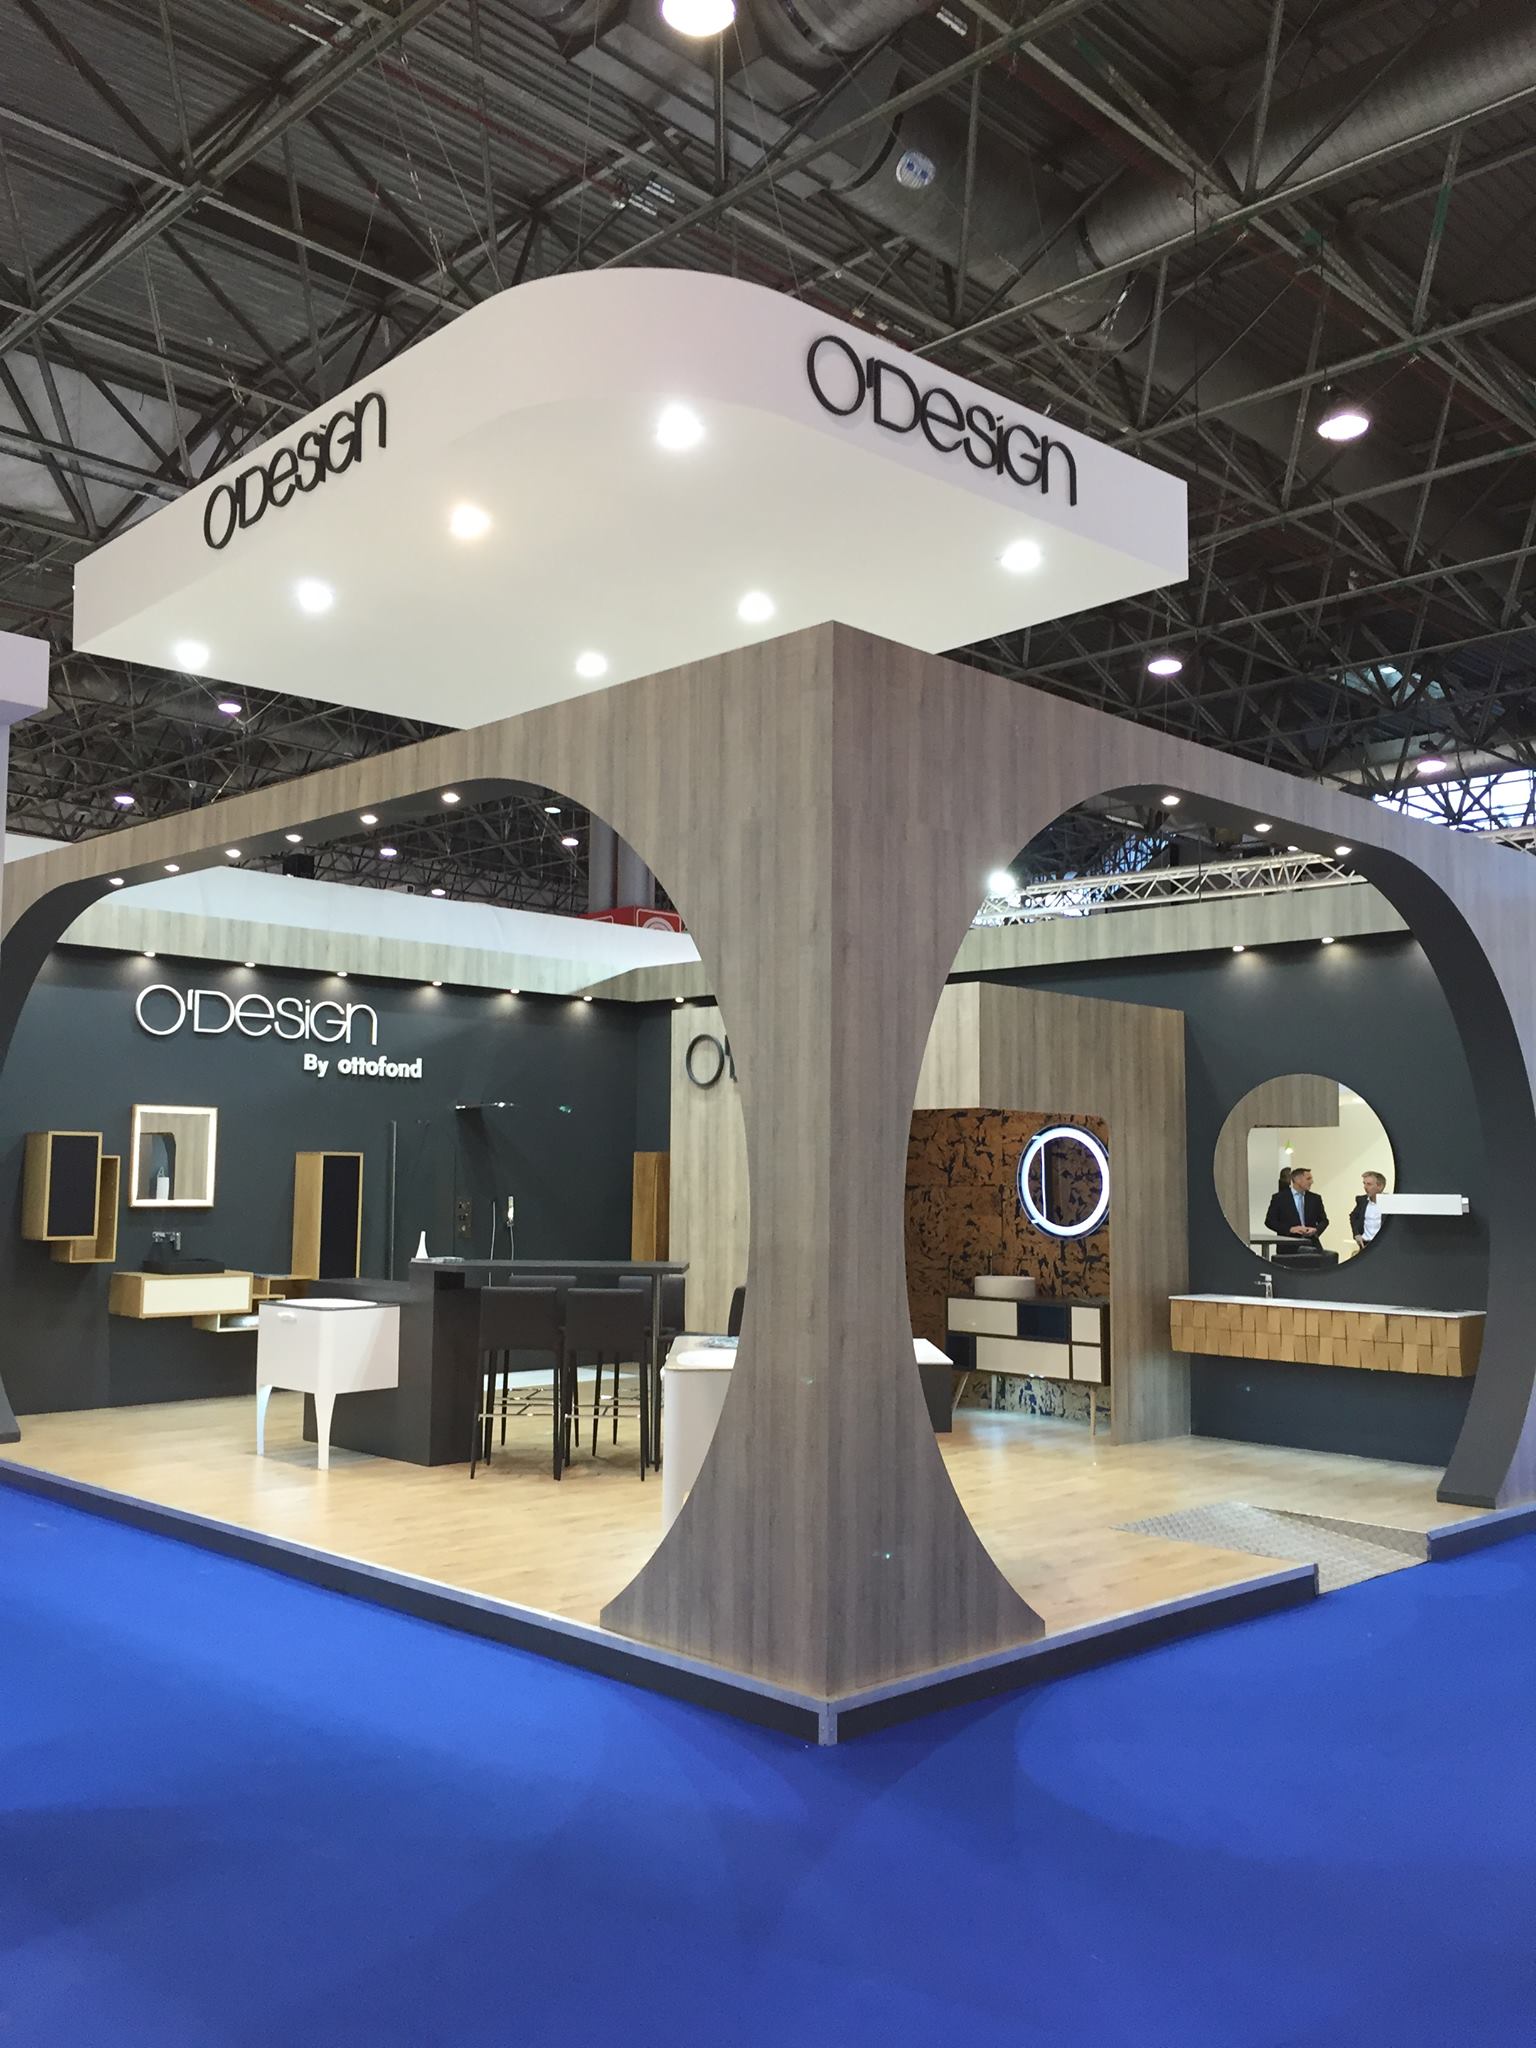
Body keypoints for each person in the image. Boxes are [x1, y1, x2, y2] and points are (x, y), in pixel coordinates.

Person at [1264, 1165, 1328, 1255]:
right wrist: (1290, 1229)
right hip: (1287, 1248)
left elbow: (1324, 1221)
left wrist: (1316, 1230)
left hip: (1311, 1246)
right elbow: (1270, 1221)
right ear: (1297, 1180)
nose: (1312, 1182)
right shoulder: (1279, 1198)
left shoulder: (1315, 1198)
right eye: (1308, 1179)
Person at [1350, 1170, 1389, 1251]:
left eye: (1369, 1184)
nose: (1365, 1187)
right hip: (1365, 1245)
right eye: (1364, 1183)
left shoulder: (1389, 1202)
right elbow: (1353, 1217)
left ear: (1380, 1186)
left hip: (1383, 1246)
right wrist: (1356, 1234)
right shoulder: (1362, 1201)